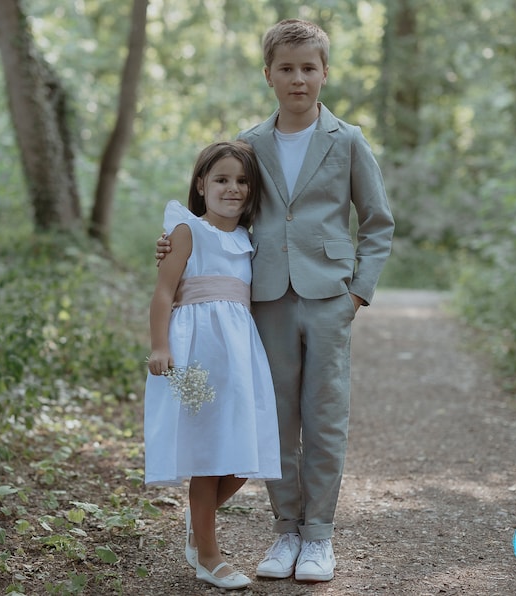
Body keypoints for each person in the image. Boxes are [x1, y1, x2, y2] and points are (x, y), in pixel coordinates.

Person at [156, 19, 395, 583]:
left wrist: (358, 292)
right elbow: (222, 206)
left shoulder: (349, 140)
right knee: (276, 419)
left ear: (325, 73)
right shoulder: (251, 144)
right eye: (286, 69)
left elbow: (378, 222)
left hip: (330, 295)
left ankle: (318, 538)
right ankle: (286, 530)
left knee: (325, 415)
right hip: (263, 301)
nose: (298, 79)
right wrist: (175, 240)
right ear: (268, 75)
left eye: (308, 68)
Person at [144, 140, 281, 590]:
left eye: (242, 181)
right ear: (201, 185)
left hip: (238, 359)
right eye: (222, 179)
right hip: (195, 357)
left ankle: (196, 519)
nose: (233, 188)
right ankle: (208, 555)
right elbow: (164, 292)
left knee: (244, 455)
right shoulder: (186, 231)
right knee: (208, 457)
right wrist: (160, 346)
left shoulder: (247, 239)